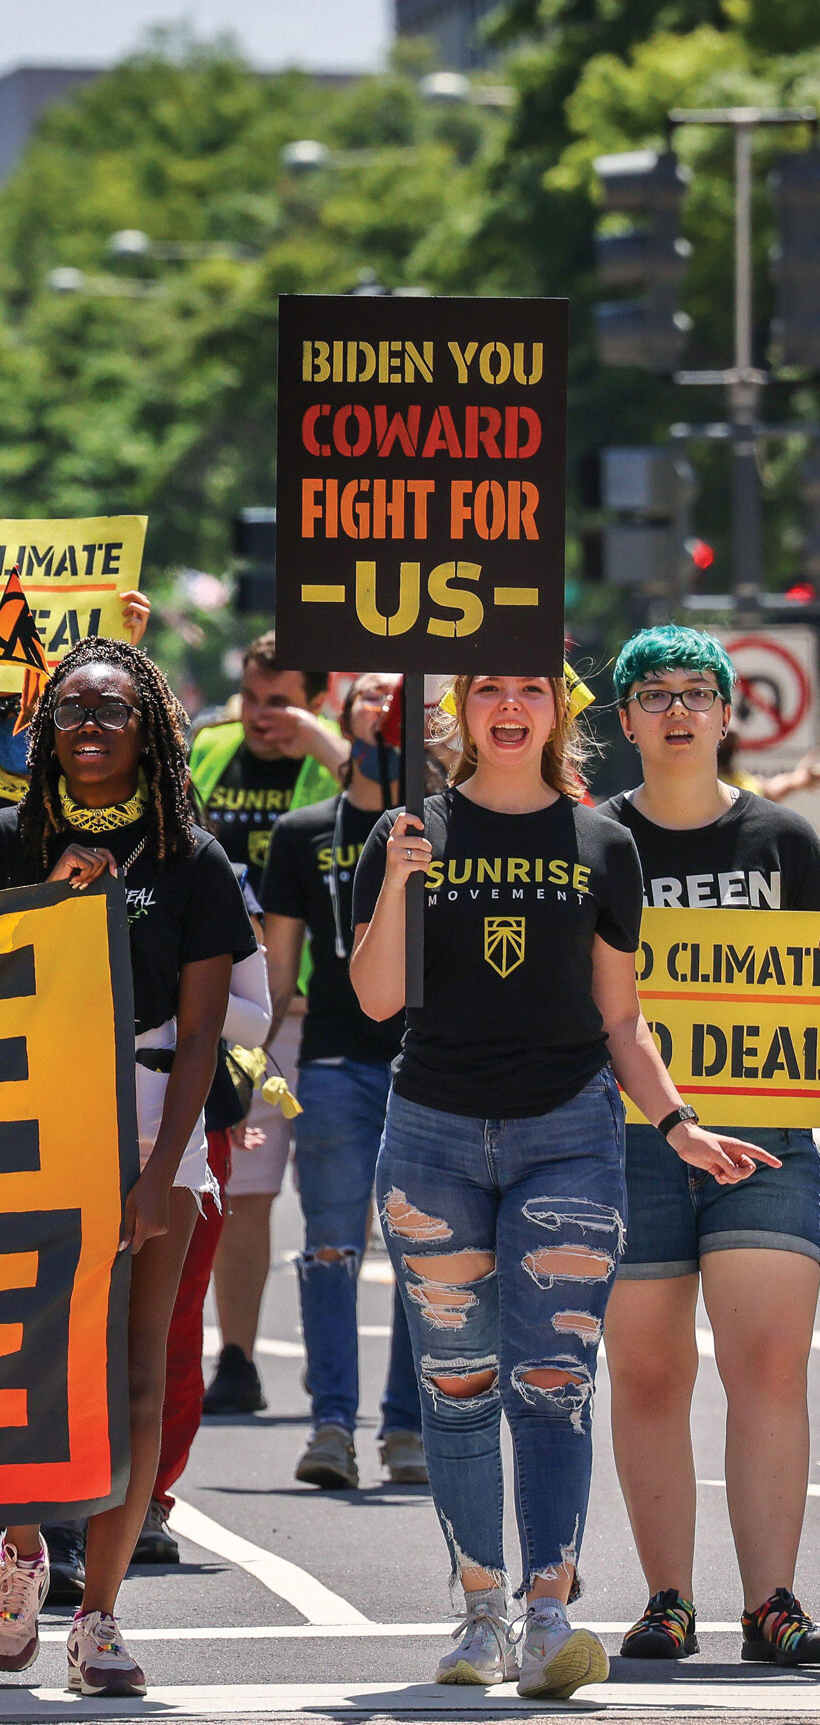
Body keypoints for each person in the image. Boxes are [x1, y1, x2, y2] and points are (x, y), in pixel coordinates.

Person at [351, 667, 774, 1698]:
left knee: (552, 1389)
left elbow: (619, 1020)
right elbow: (372, 1001)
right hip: (432, 1138)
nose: (507, 706)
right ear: (458, 709)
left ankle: (548, 1617)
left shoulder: (602, 844)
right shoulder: (405, 832)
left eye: (530, 690)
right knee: (452, 1393)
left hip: (568, 1139)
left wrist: (672, 1121)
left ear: (560, 711)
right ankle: (479, 1614)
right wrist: (401, 880)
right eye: (486, 687)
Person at [0, 638, 248, 1696]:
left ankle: (100, 1617)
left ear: (148, 728)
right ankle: (21, 1548)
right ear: (42, 726)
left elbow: (205, 1033)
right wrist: (46, 905)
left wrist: (162, 1172)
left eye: (111, 709)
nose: (86, 725)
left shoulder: (189, 858)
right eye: (68, 707)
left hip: (147, 1117)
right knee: (26, 1364)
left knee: (134, 1380)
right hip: (17, 1121)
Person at [587, 630, 820, 1665]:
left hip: (766, 1133)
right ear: (624, 717)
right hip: (630, 1136)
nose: (675, 709)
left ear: (728, 714)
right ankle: (666, 1597)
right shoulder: (590, 840)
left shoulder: (785, 842)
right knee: (645, 1376)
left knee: (766, 1361)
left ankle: (772, 1600)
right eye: (652, 693)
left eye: (695, 692)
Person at [255, 673, 424, 1495]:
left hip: (429, 1066)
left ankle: (405, 1425)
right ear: (341, 715)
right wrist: (248, 1066)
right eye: (369, 695)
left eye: (400, 695)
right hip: (329, 1061)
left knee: (423, 1247)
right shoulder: (301, 832)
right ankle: (331, 1423)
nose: (385, 707)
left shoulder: (443, 825)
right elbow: (278, 975)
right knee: (330, 1243)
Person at [190, 638, 350, 1420]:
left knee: (333, 1205)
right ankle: (238, 1357)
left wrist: (318, 734)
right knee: (243, 1192)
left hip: (324, 1018)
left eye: (281, 699)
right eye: (253, 696)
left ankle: (341, 1383)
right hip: (241, 1014)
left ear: (317, 698)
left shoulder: (332, 761)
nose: (262, 715)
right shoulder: (211, 751)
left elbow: (383, 791)